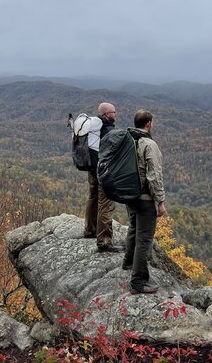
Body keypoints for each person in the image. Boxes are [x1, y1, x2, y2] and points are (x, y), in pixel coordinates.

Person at [123, 109, 167, 294]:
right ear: (148, 124)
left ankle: (128, 262)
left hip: (129, 195)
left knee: (134, 227)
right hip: (144, 198)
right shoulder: (149, 144)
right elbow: (154, 176)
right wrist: (160, 201)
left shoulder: (127, 140)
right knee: (144, 238)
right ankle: (138, 282)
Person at [83, 102, 123, 252]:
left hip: (91, 167)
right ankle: (104, 241)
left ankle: (89, 230)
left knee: (92, 197)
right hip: (103, 170)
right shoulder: (108, 129)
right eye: (114, 112)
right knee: (106, 203)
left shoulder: (93, 126)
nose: (115, 114)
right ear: (106, 114)